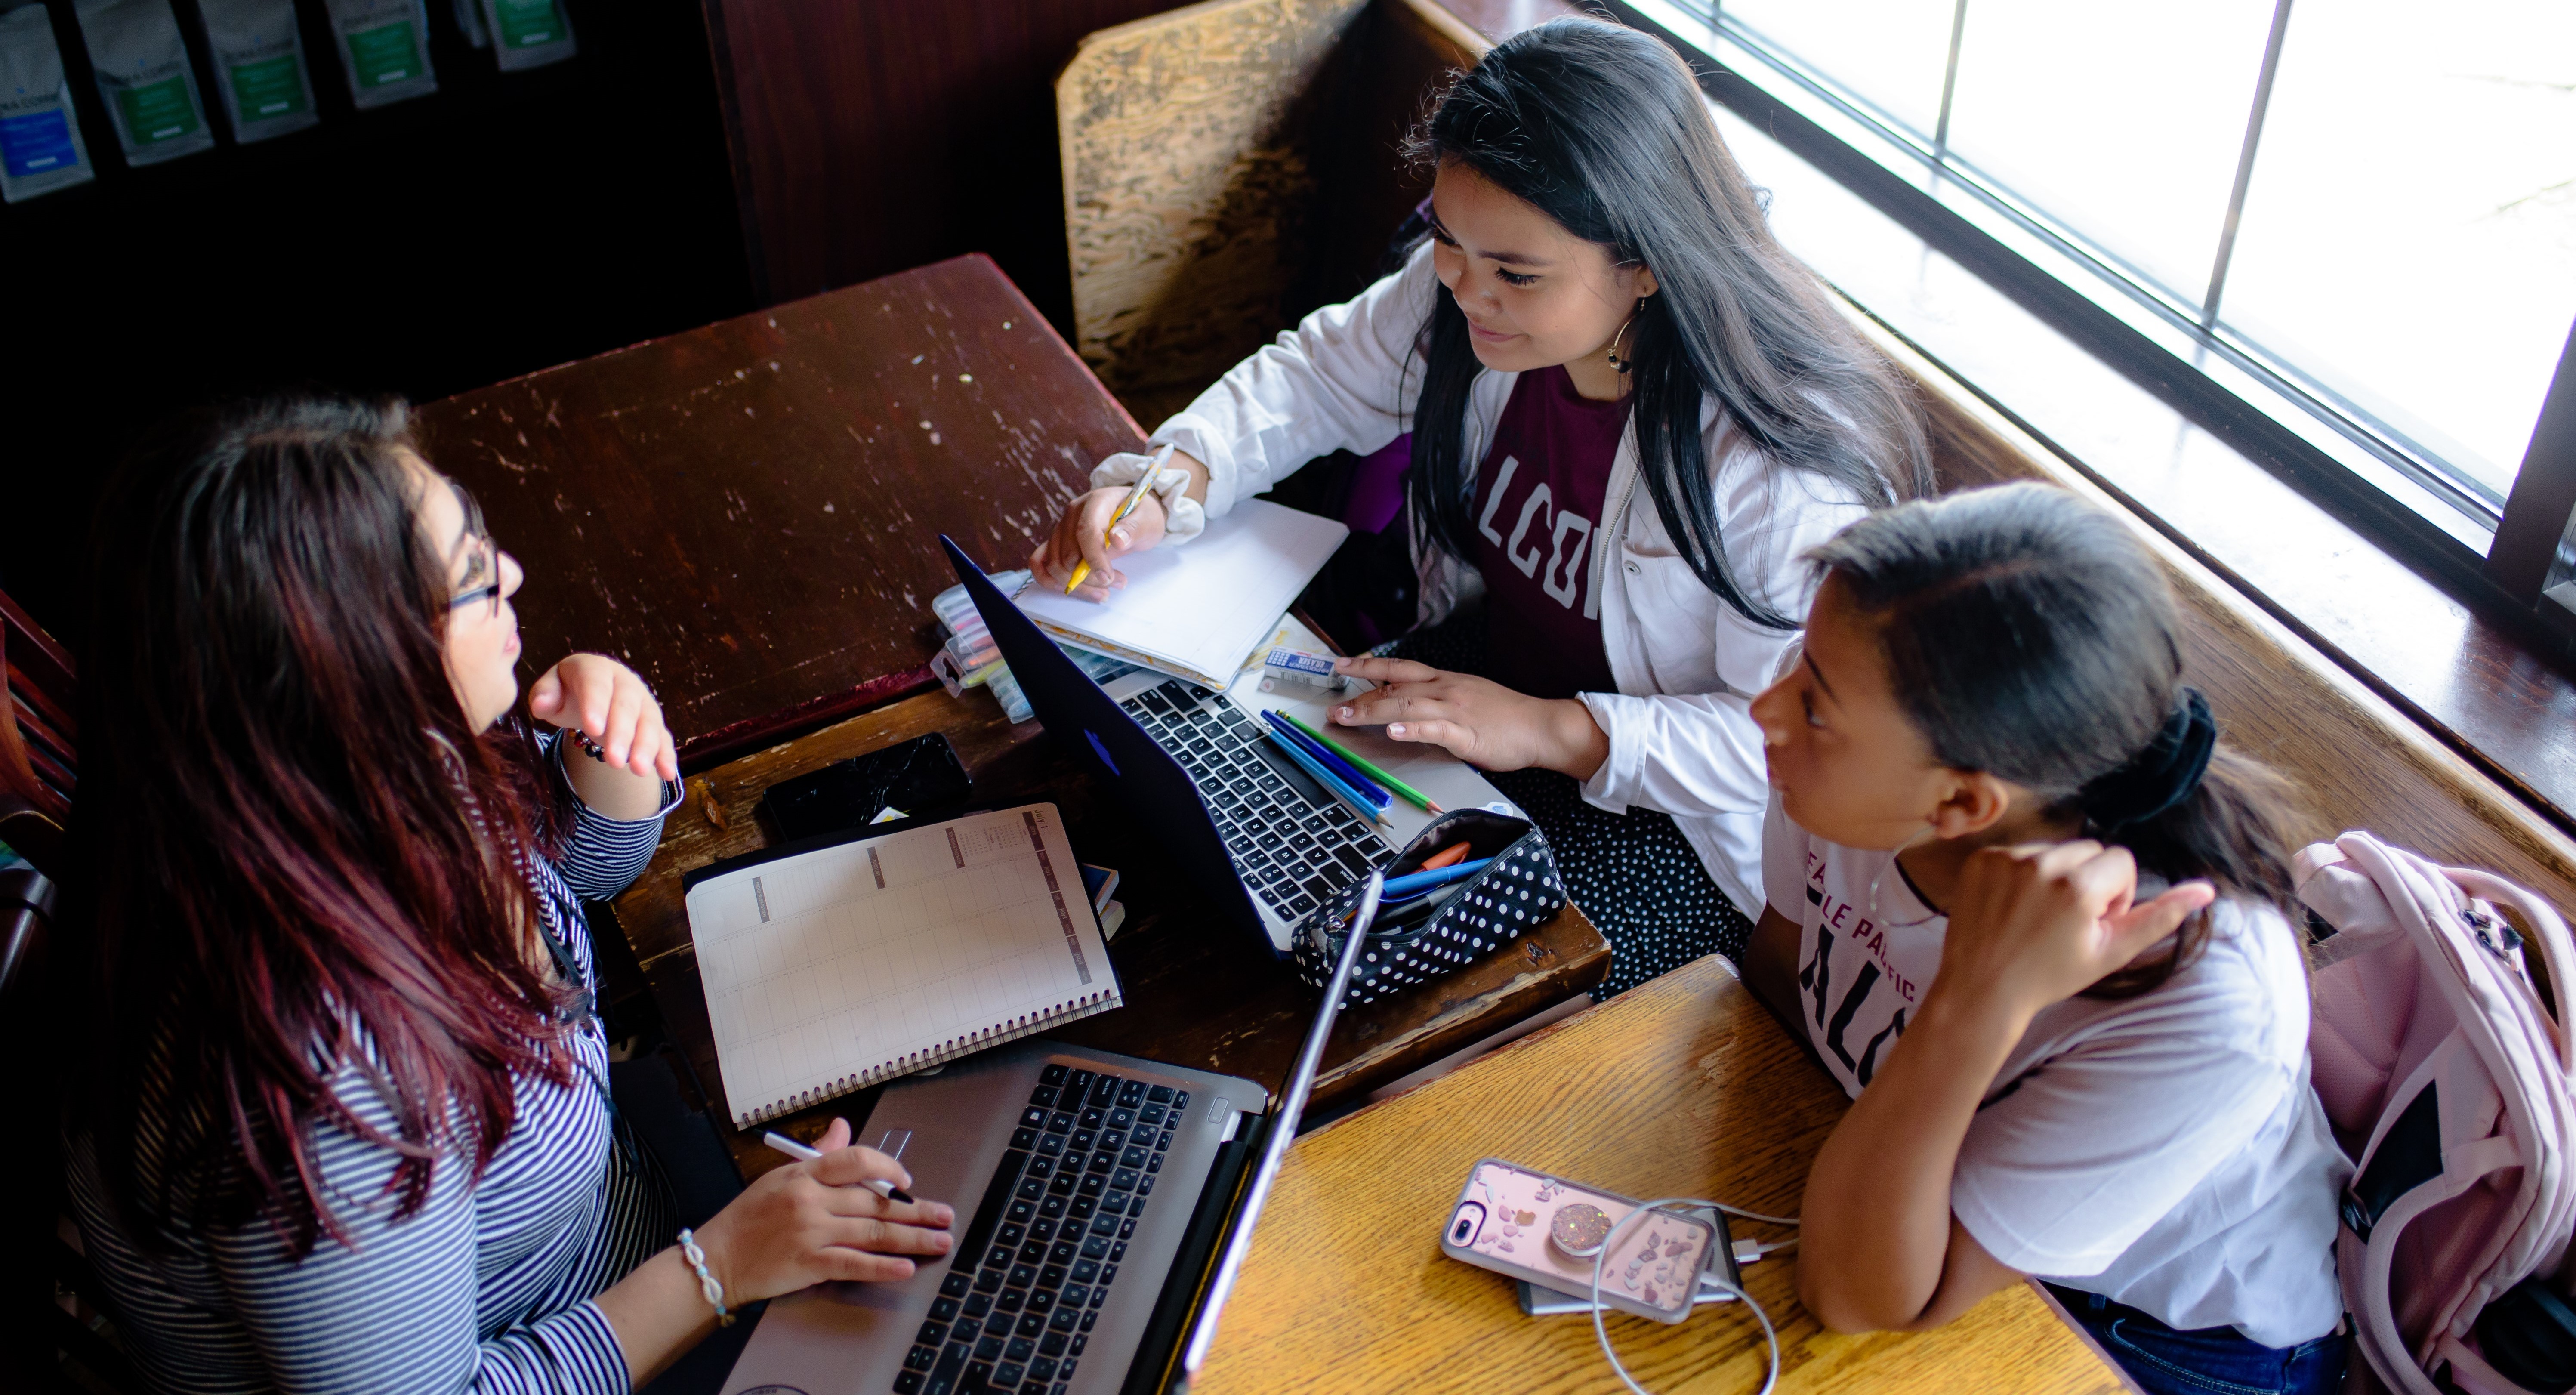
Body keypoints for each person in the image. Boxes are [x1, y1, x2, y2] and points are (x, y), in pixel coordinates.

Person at [59, 395, 955, 1394]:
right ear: (359, 673)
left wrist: (605, 748)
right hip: (612, 1328)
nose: (516, 578)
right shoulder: (322, 1087)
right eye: (477, 582)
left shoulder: (351, 787)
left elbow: (574, 884)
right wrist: (725, 1265)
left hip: (631, 1220)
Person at [1028, 17, 1929, 996]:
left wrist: (1551, 731)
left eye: (1516, 273)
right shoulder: (1470, 288)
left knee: (1399, 992)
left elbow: (1773, 746)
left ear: (1648, 263)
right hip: (1485, 691)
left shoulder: (1777, 468)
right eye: (1450, 242)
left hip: (1668, 825)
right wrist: (1170, 481)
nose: (1465, 288)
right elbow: (1319, 377)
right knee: (1221, 831)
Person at [1742, 482, 2348, 1395]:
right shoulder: (1851, 760)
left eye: (1814, 706)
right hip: (1887, 1192)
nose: (1768, 709)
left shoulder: (2209, 998)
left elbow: (1858, 1294)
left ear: (1962, 804)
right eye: (1802, 668)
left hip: (2151, 1330)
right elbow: (1778, 980)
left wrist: (1972, 1004)